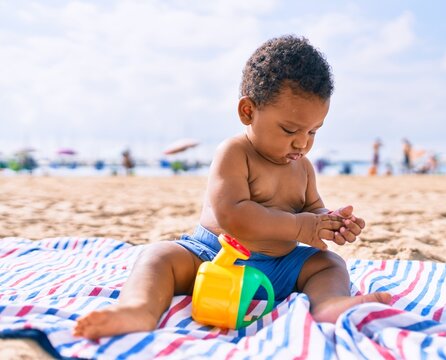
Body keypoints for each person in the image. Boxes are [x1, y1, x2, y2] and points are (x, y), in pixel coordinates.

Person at [73, 35, 390, 340]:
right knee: (159, 256)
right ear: (248, 112)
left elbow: (311, 209)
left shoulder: (303, 167)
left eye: (313, 132)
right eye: (290, 129)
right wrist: (299, 227)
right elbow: (232, 215)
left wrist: (329, 222)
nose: (303, 142)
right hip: (213, 259)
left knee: (329, 264)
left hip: (278, 268)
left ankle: (330, 305)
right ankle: (138, 309)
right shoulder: (235, 153)